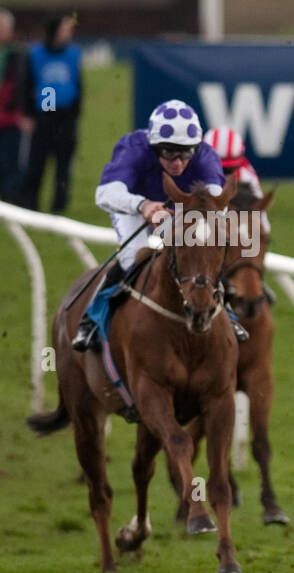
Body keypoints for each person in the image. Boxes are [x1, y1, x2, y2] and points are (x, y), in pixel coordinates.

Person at [72, 99, 236, 351]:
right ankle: (91, 318)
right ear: (154, 147)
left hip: (183, 212)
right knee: (136, 258)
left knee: (199, 254)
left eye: (185, 154)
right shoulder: (133, 148)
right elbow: (104, 194)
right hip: (134, 209)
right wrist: (143, 206)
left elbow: (217, 207)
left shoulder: (206, 157)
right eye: (169, 153)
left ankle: (228, 314)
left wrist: (189, 223)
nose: (178, 163)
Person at [21, 12, 80, 214]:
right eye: (64, 29)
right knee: (37, 162)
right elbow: (30, 84)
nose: (68, 33)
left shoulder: (73, 54)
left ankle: (58, 207)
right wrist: (31, 114)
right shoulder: (38, 54)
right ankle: (31, 204)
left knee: (63, 166)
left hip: (66, 116)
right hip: (45, 113)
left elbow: (78, 84)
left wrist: (75, 113)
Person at [0, 9, 32, 202]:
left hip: (13, 121)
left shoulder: (22, 55)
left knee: (13, 166)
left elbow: (45, 86)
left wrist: (47, 113)